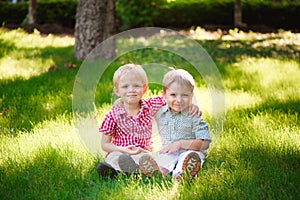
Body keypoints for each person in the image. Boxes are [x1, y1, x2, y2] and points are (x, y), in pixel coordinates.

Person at [96, 64, 201, 178]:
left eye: (136, 86)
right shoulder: (113, 114)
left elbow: (173, 98)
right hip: (120, 150)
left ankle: (134, 172)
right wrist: (122, 149)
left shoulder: (150, 106)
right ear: (117, 90)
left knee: (145, 160)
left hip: (142, 152)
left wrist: (192, 105)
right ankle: (117, 171)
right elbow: (105, 144)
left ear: (144, 89)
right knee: (114, 157)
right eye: (125, 86)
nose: (131, 90)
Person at [138, 69, 211, 180]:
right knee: (163, 160)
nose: (179, 100)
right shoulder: (159, 112)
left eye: (185, 95)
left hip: (190, 151)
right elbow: (139, 106)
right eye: (173, 95)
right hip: (168, 151)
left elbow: (204, 144)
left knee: (188, 158)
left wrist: (180, 144)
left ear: (192, 96)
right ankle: (158, 172)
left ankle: (183, 173)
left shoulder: (193, 114)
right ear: (164, 95)